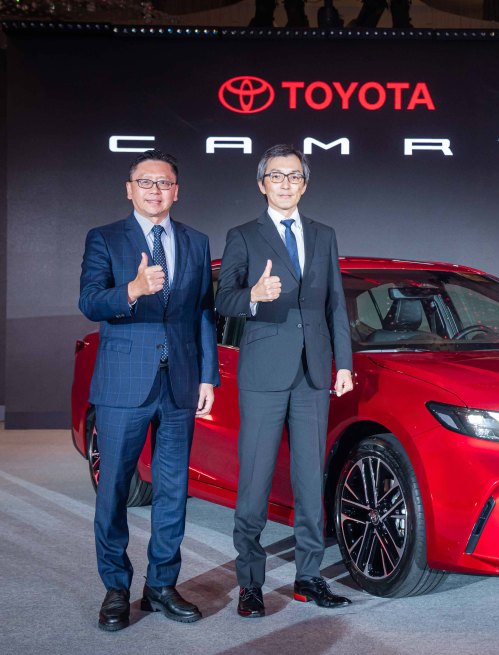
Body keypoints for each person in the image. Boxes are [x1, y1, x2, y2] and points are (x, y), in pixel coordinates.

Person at [79, 150, 218, 631]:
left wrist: (208, 375)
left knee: (173, 490)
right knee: (114, 489)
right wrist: (133, 290)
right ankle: (116, 588)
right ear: (129, 189)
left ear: (176, 191)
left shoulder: (196, 241)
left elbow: (203, 312)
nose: (155, 190)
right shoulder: (105, 237)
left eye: (164, 183)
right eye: (145, 182)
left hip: (180, 381)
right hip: (124, 383)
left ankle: (161, 585)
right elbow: (89, 301)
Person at [216, 144, 354, 618]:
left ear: (304, 184)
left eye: (294, 176)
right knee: (255, 479)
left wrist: (342, 364)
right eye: (277, 176)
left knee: (310, 478)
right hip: (263, 371)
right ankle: (250, 583)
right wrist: (253, 295)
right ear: (262, 184)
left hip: (313, 372)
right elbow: (224, 299)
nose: (286, 184)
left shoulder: (323, 234)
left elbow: (335, 303)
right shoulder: (243, 235)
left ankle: (308, 577)